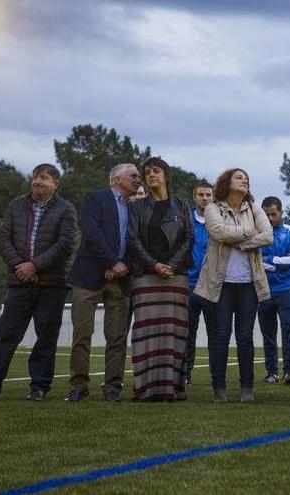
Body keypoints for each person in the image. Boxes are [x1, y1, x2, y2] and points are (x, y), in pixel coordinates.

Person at [0, 164, 77, 401]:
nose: (37, 181)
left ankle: (39, 388)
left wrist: (35, 265)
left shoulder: (66, 209)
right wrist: (21, 266)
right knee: (5, 336)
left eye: (44, 178)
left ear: (55, 183)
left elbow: (65, 244)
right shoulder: (16, 205)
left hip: (52, 285)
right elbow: (2, 239)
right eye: (35, 177)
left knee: (46, 337)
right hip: (20, 282)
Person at [194, 168, 272, 403]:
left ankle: (246, 388)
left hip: (249, 283)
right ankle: (219, 388)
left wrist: (245, 244)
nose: (245, 181)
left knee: (245, 336)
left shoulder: (254, 207)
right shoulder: (212, 208)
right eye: (239, 177)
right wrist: (249, 232)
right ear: (227, 182)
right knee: (220, 336)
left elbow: (268, 236)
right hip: (221, 284)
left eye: (247, 178)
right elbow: (218, 232)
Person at [65, 163, 141, 402]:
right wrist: (110, 262)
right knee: (82, 333)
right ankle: (79, 385)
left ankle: (112, 387)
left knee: (117, 336)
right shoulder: (95, 199)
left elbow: (136, 243)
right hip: (88, 276)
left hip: (120, 279)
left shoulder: (136, 209)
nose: (139, 180)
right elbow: (91, 231)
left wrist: (122, 266)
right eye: (134, 176)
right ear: (117, 179)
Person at [125, 157, 194, 401]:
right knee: (145, 334)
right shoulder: (136, 208)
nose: (151, 175)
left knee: (174, 334)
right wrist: (154, 265)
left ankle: (171, 389)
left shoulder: (182, 205)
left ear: (166, 175)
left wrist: (171, 266)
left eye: (156, 171)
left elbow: (189, 239)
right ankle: (145, 389)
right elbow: (132, 240)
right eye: (147, 172)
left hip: (175, 278)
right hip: (146, 277)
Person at [258, 196, 290, 385]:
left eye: (273, 214)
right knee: (268, 334)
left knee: (288, 330)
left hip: (286, 289)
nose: (269, 218)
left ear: (281, 213)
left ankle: (289, 372)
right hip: (264, 290)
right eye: (266, 214)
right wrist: (277, 262)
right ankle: (271, 372)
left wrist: (269, 261)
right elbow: (255, 261)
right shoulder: (256, 233)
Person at [185, 181, 216, 386]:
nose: (204, 198)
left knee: (216, 333)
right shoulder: (185, 221)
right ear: (194, 197)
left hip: (212, 286)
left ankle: (217, 376)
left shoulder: (219, 223)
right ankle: (185, 374)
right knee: (187, 333)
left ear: (213, 198)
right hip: (188, 284)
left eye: (208, 195)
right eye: (201, 194)